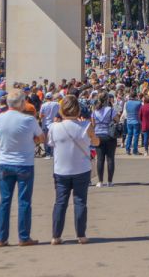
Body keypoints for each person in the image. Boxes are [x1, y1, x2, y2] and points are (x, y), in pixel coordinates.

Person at [0, 88, 45, 247]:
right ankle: (24, 237)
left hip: (5, 162)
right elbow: (41, 138)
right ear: (22, 103)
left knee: (5, 201)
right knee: (24, 201)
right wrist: (33, 140)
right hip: (24, 163)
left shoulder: (0, 117)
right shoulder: (28, 120)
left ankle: (1, 238)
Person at [47, 95, 98, 245]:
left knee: (60, 203)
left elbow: (50, 144)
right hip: (81, 168)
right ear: (78, 110)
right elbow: (96, 141)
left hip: (61, 169)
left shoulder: (53, 127)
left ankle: (56, 236)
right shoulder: (86, 126)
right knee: (80, 201)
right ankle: (81, 235)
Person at [90, 94, 117, 186]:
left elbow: (93, 125)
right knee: (110, 159)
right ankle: (110, 181)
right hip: (110, 135)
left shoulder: (94, 111)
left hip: (98, 136)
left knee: (100, 159)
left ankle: (100, 181)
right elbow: (116, 119)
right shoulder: (110, 110)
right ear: (107, 100)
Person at [122, 90, 142, 156]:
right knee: (136, 136)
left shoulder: (127, 103)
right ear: (136, 96)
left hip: (129, 121)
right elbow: (141, 112)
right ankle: (135, 150)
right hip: (136, 121)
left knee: (129, 135)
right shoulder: (139, 103)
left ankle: (127, 150)